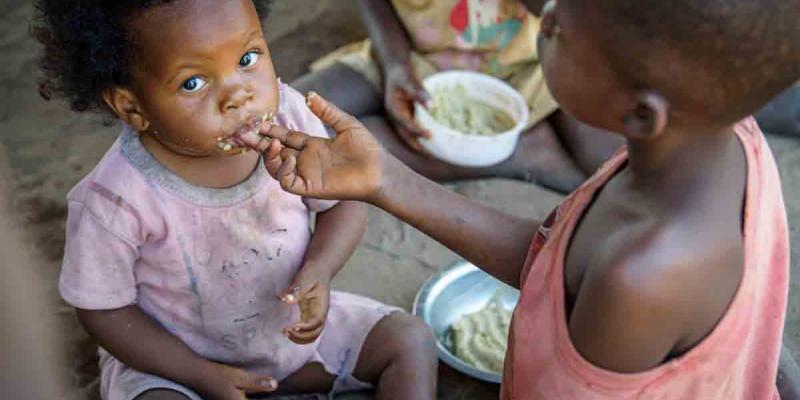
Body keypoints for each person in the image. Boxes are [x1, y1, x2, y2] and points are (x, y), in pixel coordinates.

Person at [242, 0, 800, 398]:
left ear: (639, 112)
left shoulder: (640, 279)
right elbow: (555, 265)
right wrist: (385, 179)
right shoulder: (728, 144)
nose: (545, 16)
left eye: (559, 26)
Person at [33, 1, 437, 399]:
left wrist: (321, 267)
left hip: (287, 336)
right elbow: (103, 310)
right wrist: (202, 375)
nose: (239, 96)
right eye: (194, 83)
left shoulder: (290, 118)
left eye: (248, 57)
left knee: (409, 340)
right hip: (177, 364)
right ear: (132, 107)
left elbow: (347, 199)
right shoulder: (115, 199)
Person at [293, 0, 623, 193]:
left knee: (611, 169)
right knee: (291, 117)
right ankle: (517, 153)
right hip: (409, 55)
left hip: (523, 65)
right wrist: (395, 64)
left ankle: (521, 155)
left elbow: (559, 10)